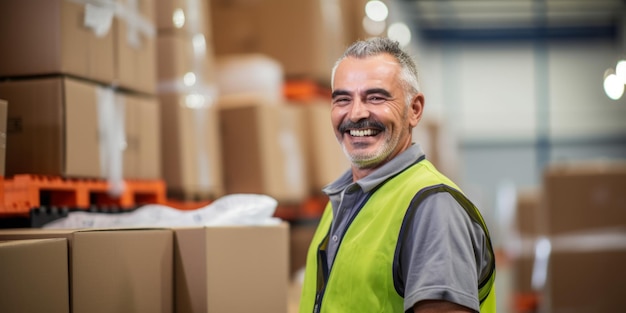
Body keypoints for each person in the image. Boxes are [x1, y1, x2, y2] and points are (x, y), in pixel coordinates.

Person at [298, 37, 496, 313]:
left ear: (414, 110)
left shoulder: (432, 208)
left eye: (376, 97)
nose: (355, 114)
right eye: (343, 99)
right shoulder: (342, 202)